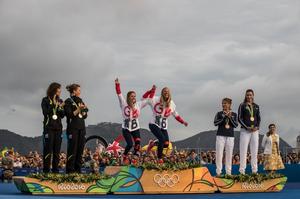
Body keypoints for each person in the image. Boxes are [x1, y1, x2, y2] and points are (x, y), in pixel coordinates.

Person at [114, 78, 155, 161]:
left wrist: (151, 91)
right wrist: (117, 84)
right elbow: (119, 94)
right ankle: (124, 155)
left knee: (137, 143)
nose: (134, 98)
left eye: (134, 96)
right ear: (128, 97)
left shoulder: (138, 105)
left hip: (135, 128)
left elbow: (147, 100)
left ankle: (135, 157)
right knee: (130, 144)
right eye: (132, 96)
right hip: (126, 128)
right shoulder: (124, 103)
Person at [146, 87, 188, 162]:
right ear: (162, 93)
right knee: (162, 139)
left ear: (169, 94)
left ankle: (153, 143)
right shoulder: (157, 99)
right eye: (164, 91)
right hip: (154, 123)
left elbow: (176, 115)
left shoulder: (172, 104)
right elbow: (150, 99)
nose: (166, 92)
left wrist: (183, 122)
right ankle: (159, 158)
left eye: (167, 91)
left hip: (163, 126)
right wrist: (152, 91)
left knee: (166, 143)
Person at [41, 82, 65, 173]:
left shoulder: (60, 101)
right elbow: (45, 113)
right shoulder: (45, 100)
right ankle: (46, 172)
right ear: (53, 90)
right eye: (58, 91)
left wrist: (60, 107)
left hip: (58, 129)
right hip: (49, 129)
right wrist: (53, 104)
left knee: (56, 152)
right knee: (48, 151)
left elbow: (62, 115)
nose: (60, 92)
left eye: (60, 91)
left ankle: (55, 172)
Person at [64, 84, 88, 173]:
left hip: (81, 128)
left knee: (80, 150)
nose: (80, 92)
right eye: (78, 90)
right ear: (74, 91)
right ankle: (70, 172)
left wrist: (84, 111)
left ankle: (78, 171)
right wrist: (79, 109)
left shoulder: (80, 100)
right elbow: (70, 115)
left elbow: (84, 115)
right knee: (72, 150)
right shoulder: (68, 101)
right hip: (72, 128)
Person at [238, 89, 261, 174]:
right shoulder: (242, 105)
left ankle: (255, 171)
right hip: (245, 131)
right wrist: (246, 127)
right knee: (243, 151)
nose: (249, 96)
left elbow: (259, 118)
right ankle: (242, 171)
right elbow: (239, 119)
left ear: (253, 95)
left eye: (250, 95)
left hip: (254, 131)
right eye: (247, 95)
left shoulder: (256, 106)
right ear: (245, 96)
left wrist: (257, 127)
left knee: (254, 152)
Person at [214, 98, 238, 176]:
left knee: (229, 155)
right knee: (219, 154)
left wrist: (230, 117)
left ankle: (228, 172)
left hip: (230, 136)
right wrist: (224, 117)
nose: (223, 105)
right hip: (220, 136)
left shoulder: (234, 114)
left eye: (225, 103)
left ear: (229, 104)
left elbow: (235, 125)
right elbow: (215, 123)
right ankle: (218, 172)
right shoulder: (219, 113)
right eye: (223, 103)